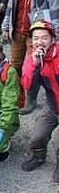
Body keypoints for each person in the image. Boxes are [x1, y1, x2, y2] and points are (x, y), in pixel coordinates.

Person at [2, 0, 59, 114]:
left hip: (36, 34)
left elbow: (56, 8)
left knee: (33, 65)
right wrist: (6, 26)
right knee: (15, 65)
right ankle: (16, 95)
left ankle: (31, 100)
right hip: (17, 30)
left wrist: (55, 33)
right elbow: (11, 6)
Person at [20, 20, 59, 181]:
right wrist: (35, 65)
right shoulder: (33, 58)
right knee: (37, 137)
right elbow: (28, 84)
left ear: (52, 39)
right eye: (36, 38)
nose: (40, 42)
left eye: (44, 38)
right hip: (52, 105)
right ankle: (38, 157)